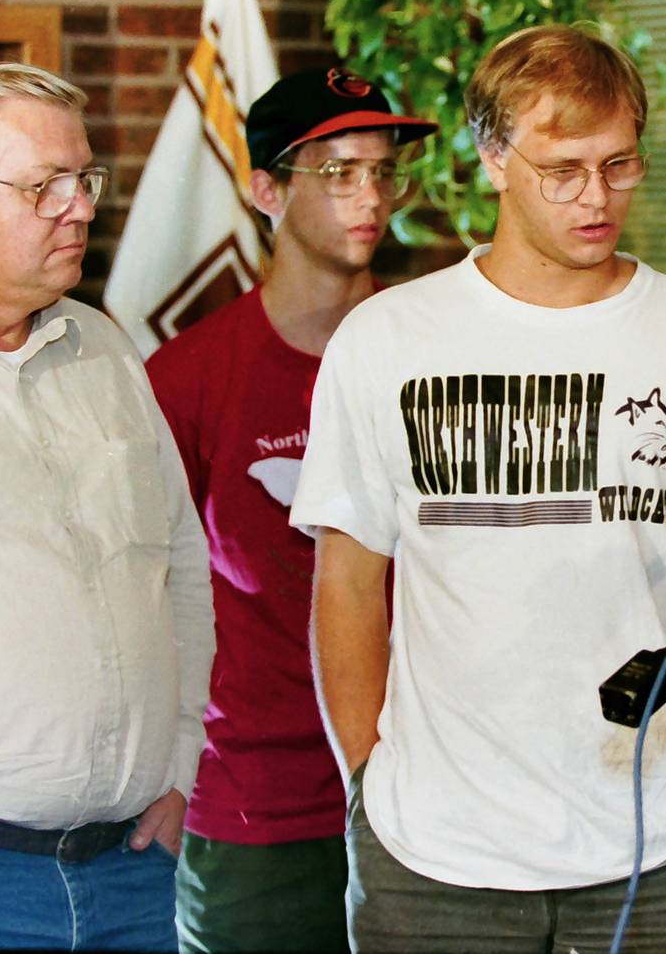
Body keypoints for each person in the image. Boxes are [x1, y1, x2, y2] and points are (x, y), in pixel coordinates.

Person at [289, 23, 666, 952]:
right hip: (433, 855)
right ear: (494, 159)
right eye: (562, 168)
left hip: (657, 843)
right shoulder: (387, 340)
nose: (596, 197)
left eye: (619, 167)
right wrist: (367, 781)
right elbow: (346, 581)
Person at [0, 62, 214, 950]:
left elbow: (183, 568)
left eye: (82, 179)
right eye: (44, 185)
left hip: (134, 872)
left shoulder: (108, 350)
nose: (80, 206)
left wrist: (181, 762)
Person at [145, 69, 437, 952]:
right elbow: (147, 589)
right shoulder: (188, 377)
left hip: (425, 786)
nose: (371, 197)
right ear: (267, 190)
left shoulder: (433, 357)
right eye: (338, 172)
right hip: (254, 807)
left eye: (382, 171)